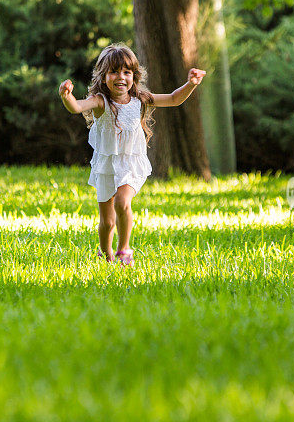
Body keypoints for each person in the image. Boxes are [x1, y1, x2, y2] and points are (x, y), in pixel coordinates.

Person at [58, 43, 206, 265]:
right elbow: (77, 107)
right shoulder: (101, 101)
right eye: (114, 71)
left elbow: (174, 99)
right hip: (107, 165)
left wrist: (191, 84)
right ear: (103, 76)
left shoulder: (140, 100)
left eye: (127, 72)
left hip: (130, 162)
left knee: (122, 202)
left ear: (134, 76)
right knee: (107, 222)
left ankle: (124, 249)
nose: (121, 77)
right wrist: (66, 96)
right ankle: (105, 254)